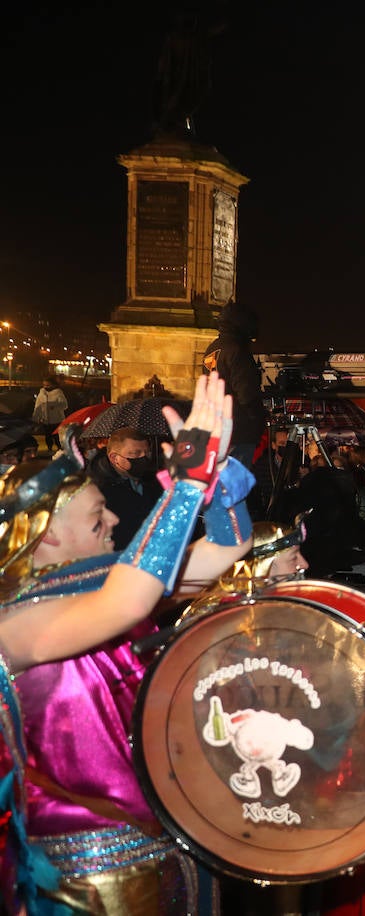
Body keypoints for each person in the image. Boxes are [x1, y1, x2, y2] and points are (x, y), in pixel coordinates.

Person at [0, 371, 253, 915]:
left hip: (170, 852)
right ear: (46, 534)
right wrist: (186, 483)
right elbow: (127, 602)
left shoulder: (111, 579)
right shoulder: (9, 625)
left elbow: (228, 548)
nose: (113, 517)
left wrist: (216, 484)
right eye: (97, 514)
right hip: (85, 886)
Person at [203, 300, 265, 469]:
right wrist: (259, 420)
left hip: (217, 428)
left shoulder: (213, 348)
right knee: (234, 487)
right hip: (238, 430)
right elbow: (246, 393)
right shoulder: (237, 350)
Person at [87, 426, 162, 550]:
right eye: (135, 453)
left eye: (146, 453)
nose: (143, 458)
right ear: (114, 458)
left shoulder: (152, 480)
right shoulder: (98, 491)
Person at [31, 375, 69, 453]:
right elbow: (38, 406)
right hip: (45, 420)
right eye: (44, 385)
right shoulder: (41, 393)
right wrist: (36, 418)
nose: (46, 386)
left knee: (56, 436)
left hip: (57, 419)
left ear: (53, 384)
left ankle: (60, 449)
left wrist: (54, 405)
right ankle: (49, 448)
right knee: (48, 436)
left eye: (48, 385)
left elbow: (64, 405)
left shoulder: (58, 393)